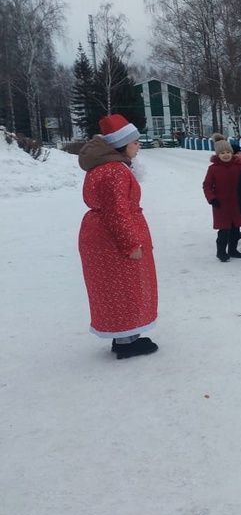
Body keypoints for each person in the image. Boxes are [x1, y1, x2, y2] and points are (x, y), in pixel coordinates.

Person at [78, 114, 159, 359]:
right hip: (112, 241)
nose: (138, 146)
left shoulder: (111, 167)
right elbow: (116, 212)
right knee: (123, 287)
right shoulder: (114, 171)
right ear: (121, 144)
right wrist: (130, 243)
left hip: (105, 237)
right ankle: (125, 342)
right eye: (135, 142)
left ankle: (127, 335)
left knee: (121, 286)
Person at [203, 134, 241, 262]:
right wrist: (212, 198)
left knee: (236, 230)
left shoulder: (239, 167)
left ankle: (232, 250)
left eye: (228, 152)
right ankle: (221, 252)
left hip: (237, 203)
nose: (226, 155)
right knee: (223, 231)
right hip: (221, 205)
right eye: (222, 153)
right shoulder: (213, 169)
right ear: (218, 155)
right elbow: (207, 185)